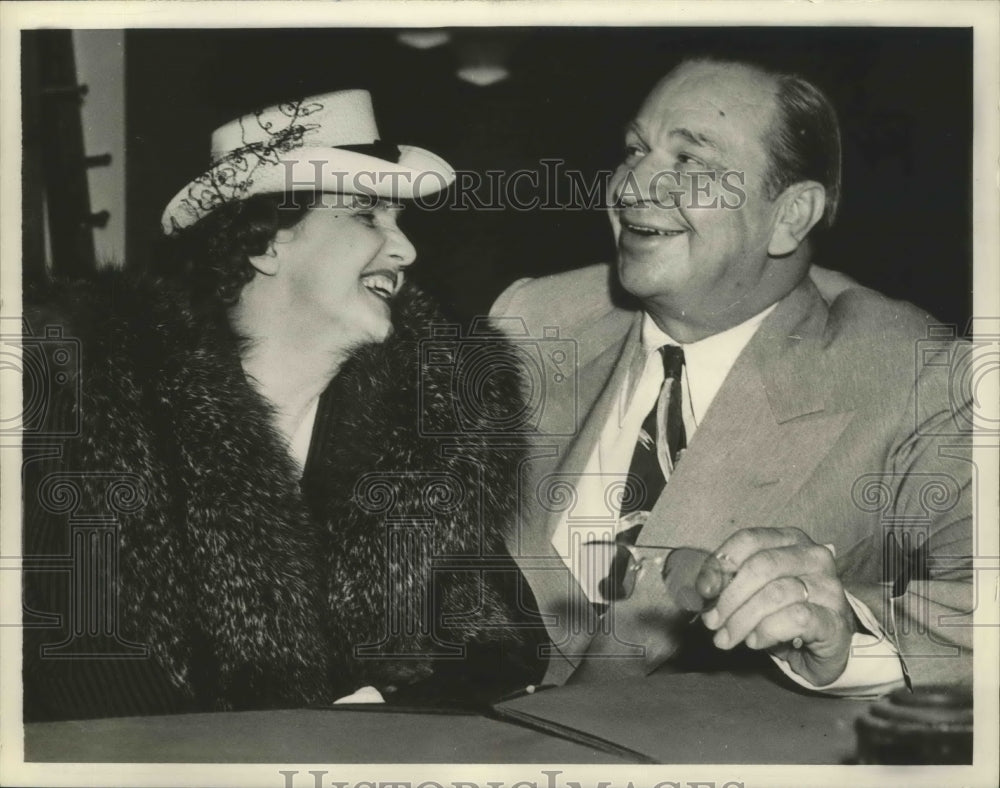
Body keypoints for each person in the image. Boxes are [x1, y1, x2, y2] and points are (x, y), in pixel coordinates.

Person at [22, 90, 543, 721]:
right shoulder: (104, 419)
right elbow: (95, 687)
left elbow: (502, 640)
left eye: (398, 220)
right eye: (368, 215)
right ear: (264, 241)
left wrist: (369, 717)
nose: (405, 250)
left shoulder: (420, 429)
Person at [491, 57, 973, 694]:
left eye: (689, 162)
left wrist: (844, 632)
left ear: (790, 216)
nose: (633, 187)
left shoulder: (914, 371)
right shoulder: (531, 320)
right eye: (635, 149)